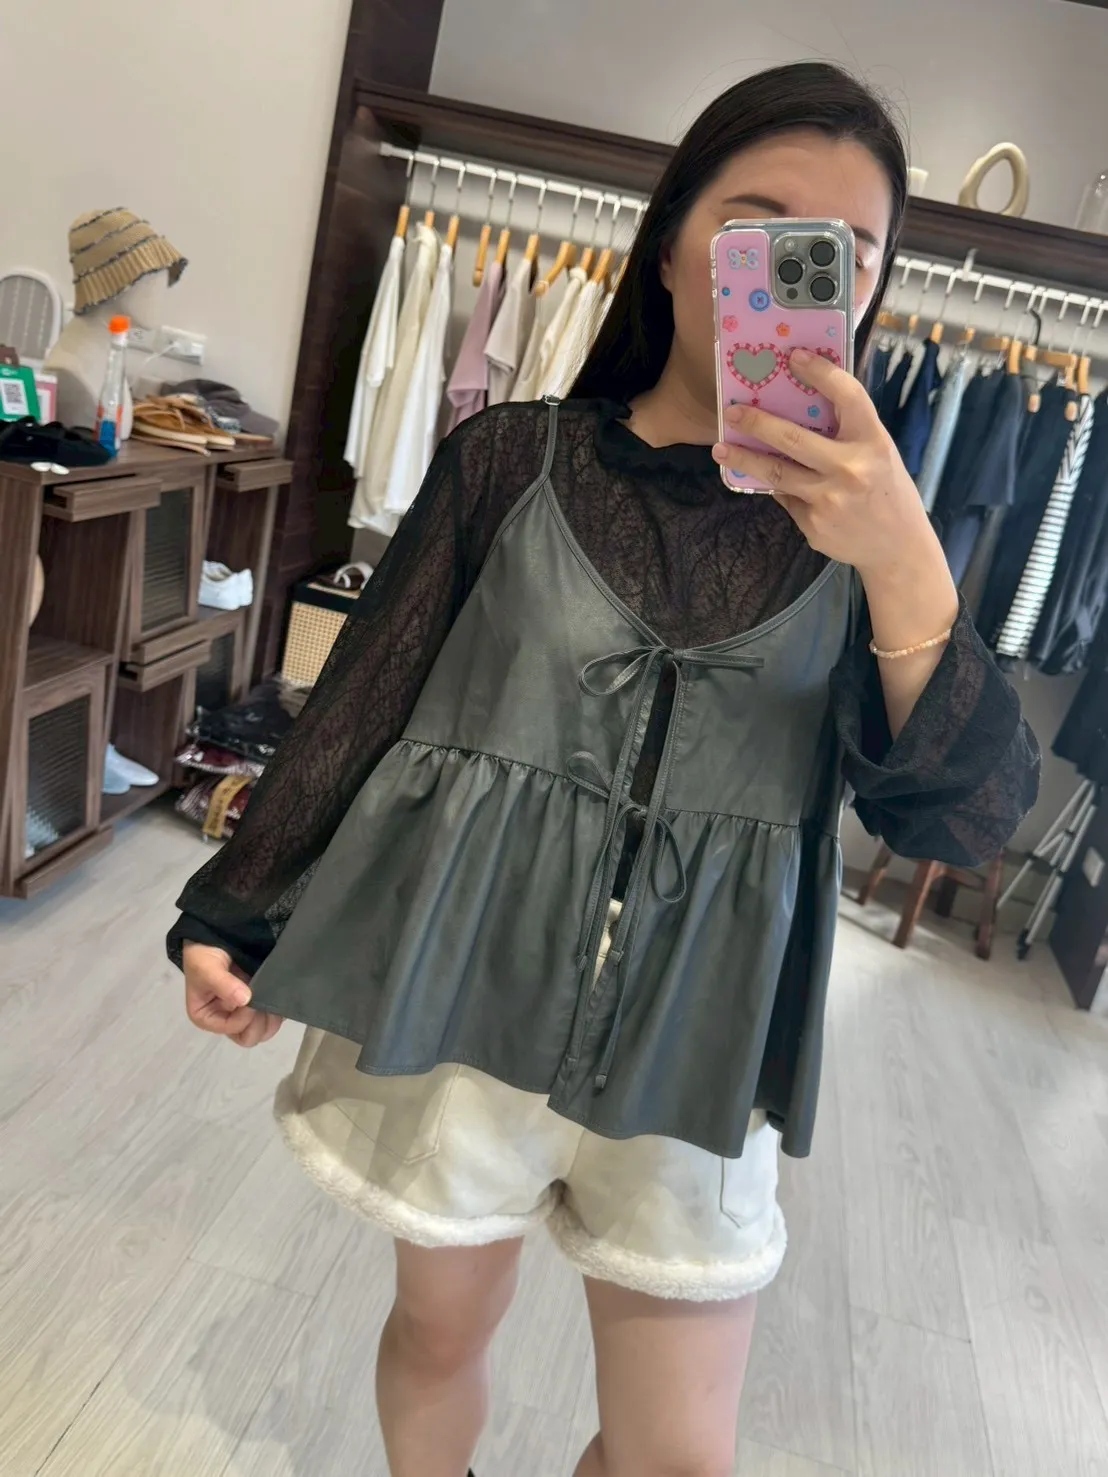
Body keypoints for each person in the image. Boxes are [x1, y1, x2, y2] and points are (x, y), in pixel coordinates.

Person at [171, 61, 1039, 1477]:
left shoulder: (885, 536)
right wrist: (237, 910)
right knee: (441, 1335)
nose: (800, 269)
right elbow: (367, 702)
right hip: (466, 983)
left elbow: (963, 813)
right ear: (674, 239)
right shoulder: (510, 460)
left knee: (678, 1454)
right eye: (759, 223)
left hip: (702, 1032)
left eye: (848, 250)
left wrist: (903, 562)